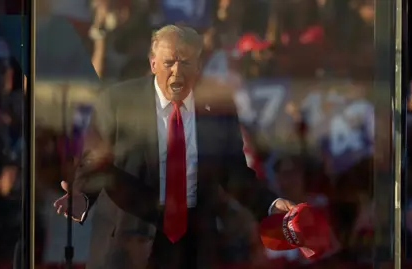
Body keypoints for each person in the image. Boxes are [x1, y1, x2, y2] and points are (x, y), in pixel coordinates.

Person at [53, 25, 295, 269]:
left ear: (199, 66)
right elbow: (95, 161)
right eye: (169, 62)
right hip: (128, 244)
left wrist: (270, 204)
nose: (177, 71)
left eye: (186, 63)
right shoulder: (117, 102)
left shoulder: (218, 108)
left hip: (192, 247)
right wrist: (83, 195)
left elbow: (233, 172)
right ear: (153, 63)